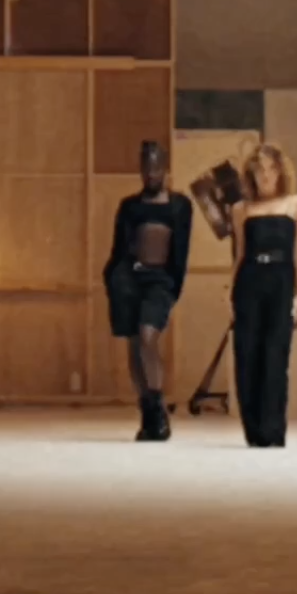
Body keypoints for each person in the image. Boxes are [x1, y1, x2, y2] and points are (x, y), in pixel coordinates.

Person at [201, 142, 297, 448]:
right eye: (259, 169)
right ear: (250, 174)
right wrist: (229, 292)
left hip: (281, 281)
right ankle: (253, 431)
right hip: (250, 281)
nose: (266, 175)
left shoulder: (296, 204)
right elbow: (239, 255)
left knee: (276, 356)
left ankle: (273, 430)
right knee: (247, 355)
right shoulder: (241, 209)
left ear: (281, 172)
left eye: (271, 169)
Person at [104, 139, 196, 441]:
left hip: (160, 281)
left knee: (148, 336)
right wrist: (113, 280)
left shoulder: (180, 205)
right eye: (146, 168)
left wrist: (173, 288)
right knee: (134, 344)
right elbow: (118, 248)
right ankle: (148, 415)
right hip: (129, 279)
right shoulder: (129, 206)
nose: (151, 174)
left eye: (156, 168)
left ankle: (158, 408)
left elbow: (181, 251)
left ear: (165, 168)